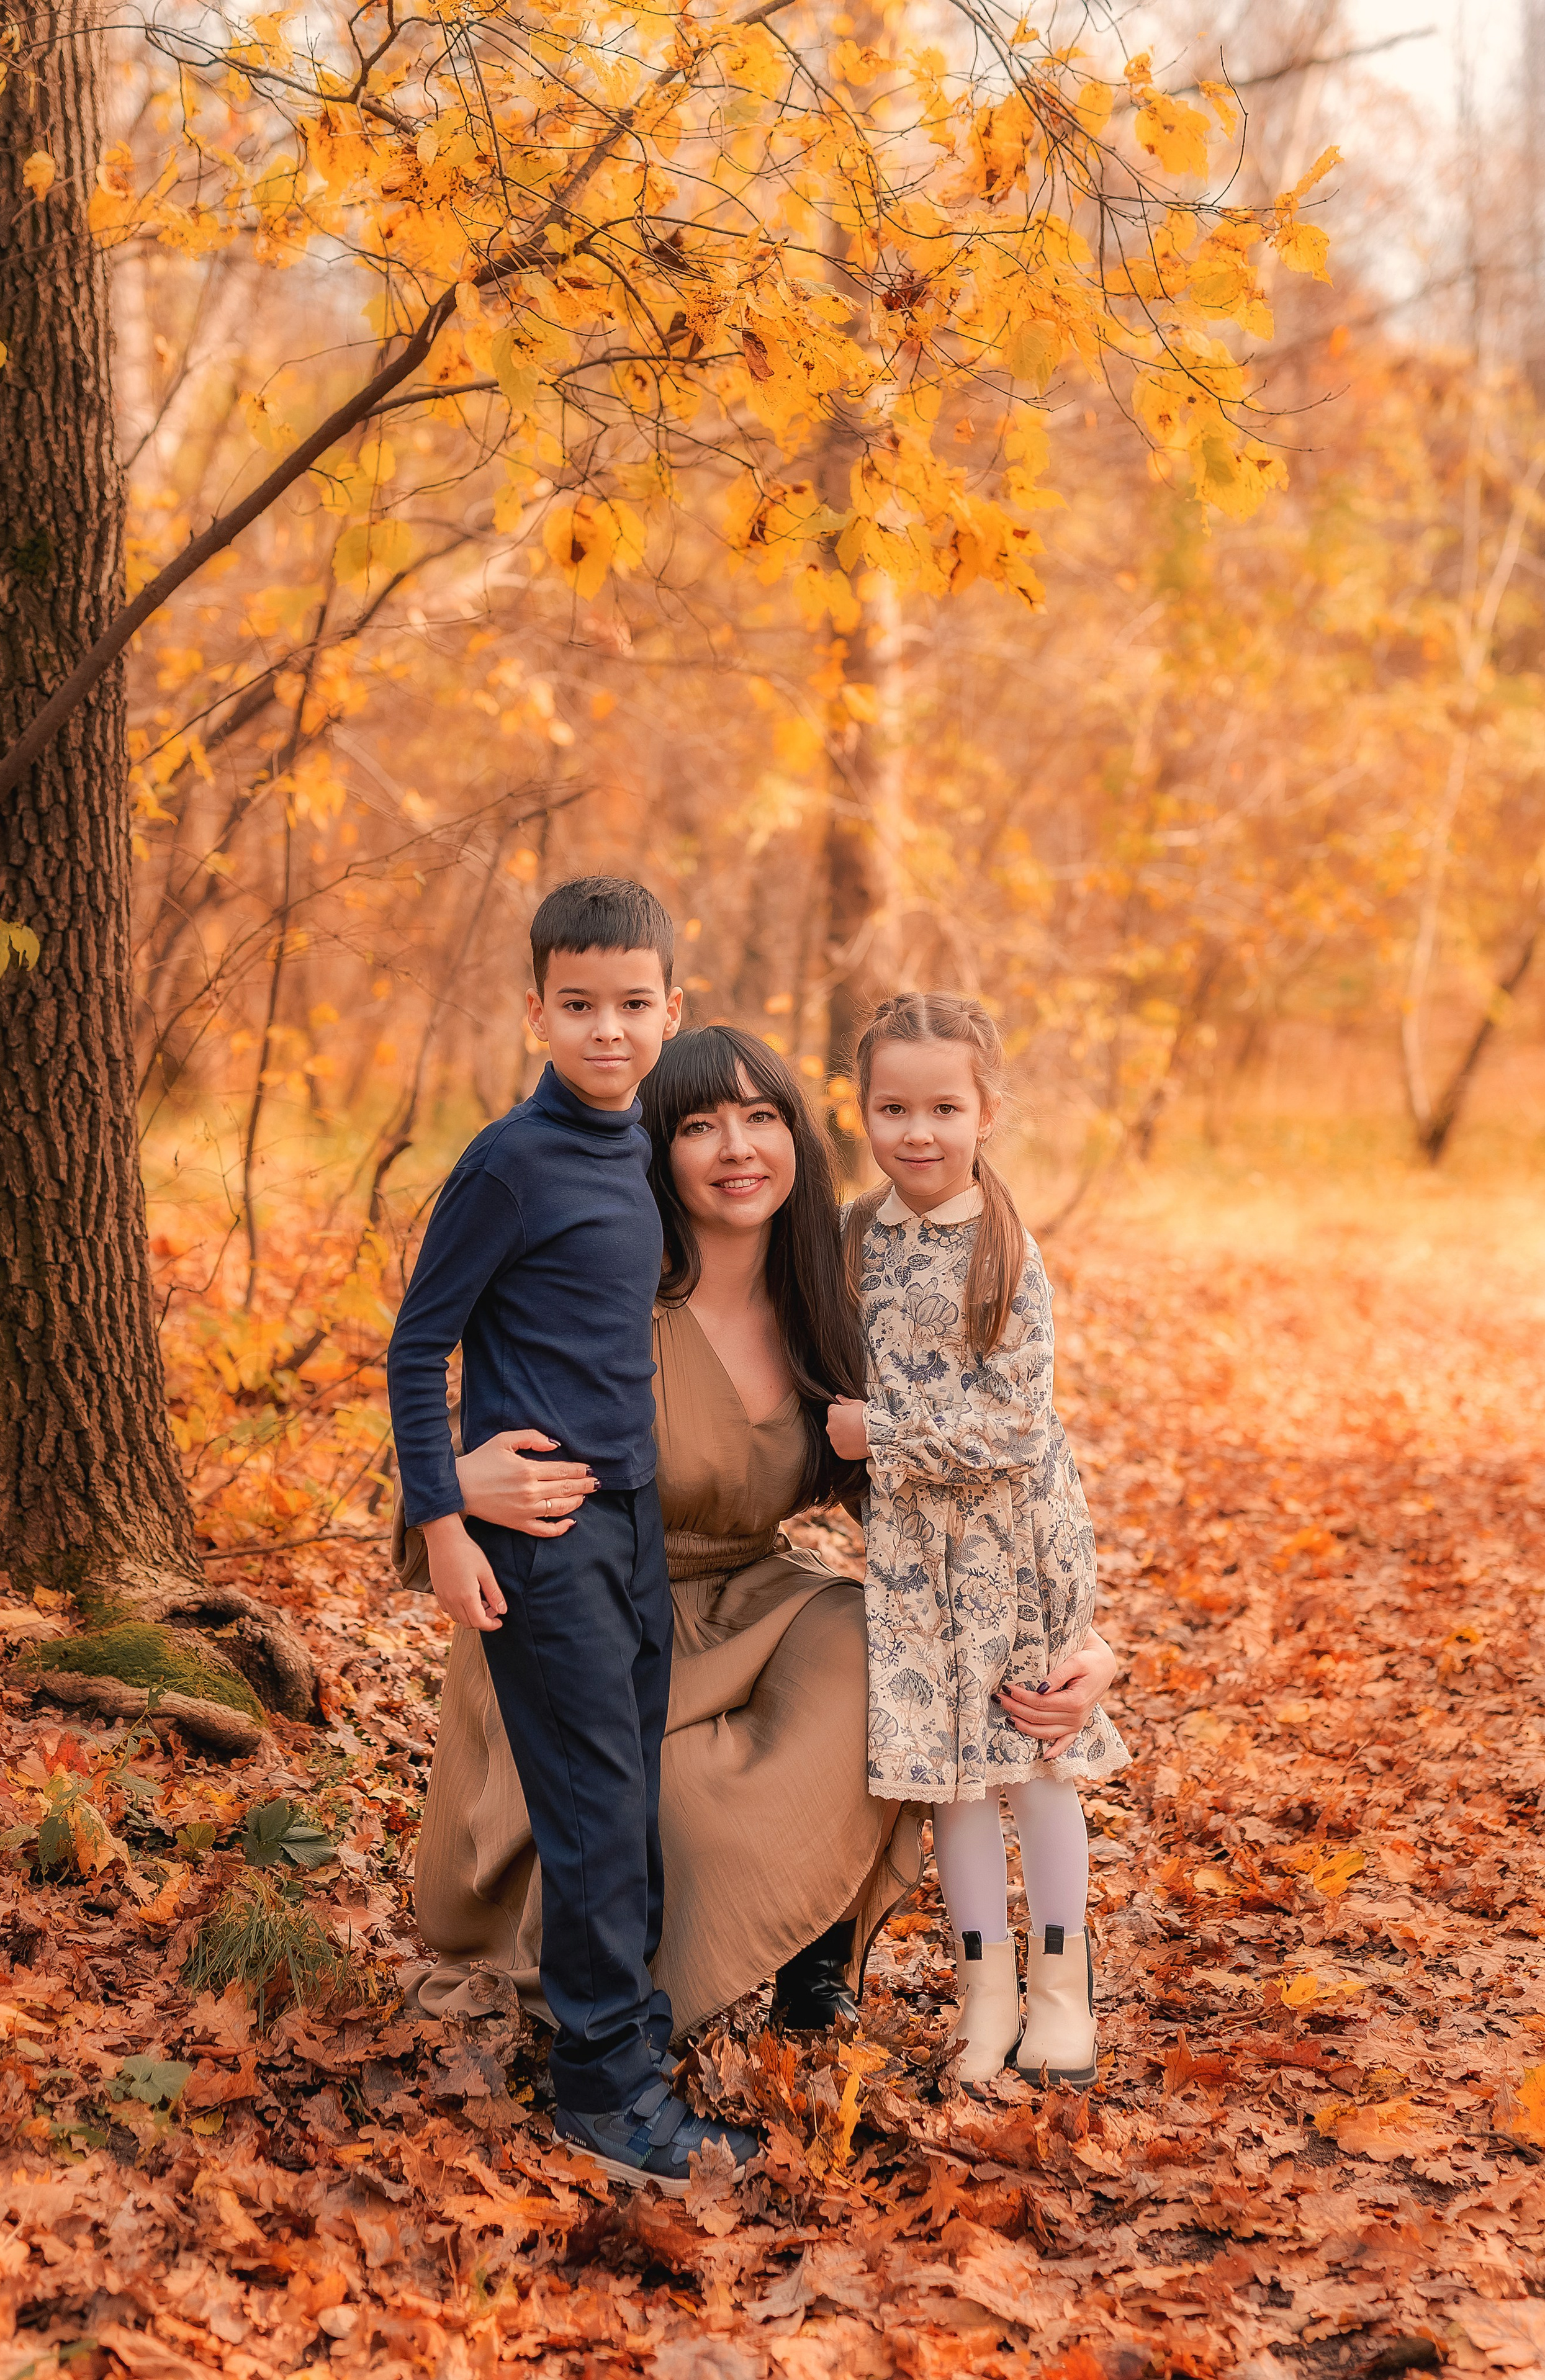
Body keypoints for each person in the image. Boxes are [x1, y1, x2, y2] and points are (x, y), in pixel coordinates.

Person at [399, 1026, 924, 2058]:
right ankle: (623, 2019)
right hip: (590, 1606)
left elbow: (958, 1472)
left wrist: (1059, 1627)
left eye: (761, 1117)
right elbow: (433, 1433)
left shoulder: (831, 1297)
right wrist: (456, 1482)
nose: (737, 1148)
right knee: (673, 1814)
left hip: (751, 1593)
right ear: (655, 1149)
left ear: (797, 1139)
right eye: (699, 1124)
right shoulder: (609, 1297)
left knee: (888, 1643)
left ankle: (819, 1970)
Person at [385, 877, 759, 2194]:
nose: (608, 1031)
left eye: (633, 1005)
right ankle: (604, 2100)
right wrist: (444, 1515)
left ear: (670, 1006)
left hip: (631, 1525)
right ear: (534, 1007)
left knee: (623, 1800)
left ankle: (619, 2042)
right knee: (596, 1810)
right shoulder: (508, 1161)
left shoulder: (636, 1145)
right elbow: (417, 1342)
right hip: (542, 1540)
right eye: (580, 1006)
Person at [826, 992, 1128, 2090]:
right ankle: (983, 1998)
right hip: (910, 1557)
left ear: (986, 1111)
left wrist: (882, 1435)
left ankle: (1061, 1996)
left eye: (944, 1107)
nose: (918, 1131)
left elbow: (1012, 1426)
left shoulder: (1007, 1252)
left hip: (1014, 1547)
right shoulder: (856, 1236)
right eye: (893, 1106)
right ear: (861, 1109)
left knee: (1033, 1762)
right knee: (950, 1780)